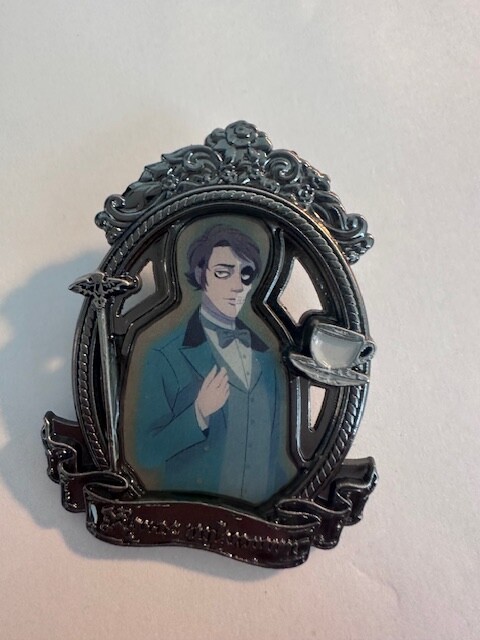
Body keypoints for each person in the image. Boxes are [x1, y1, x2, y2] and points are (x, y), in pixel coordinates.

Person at [133, 224, 295, 504]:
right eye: (223, 272)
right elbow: (145, 453)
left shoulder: (269, 361)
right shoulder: (164, 355)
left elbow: (274, 456)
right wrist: (198, 412)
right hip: (192, 515)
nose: (237, 286)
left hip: (259, 520)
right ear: (201, 275)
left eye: (245, 274)